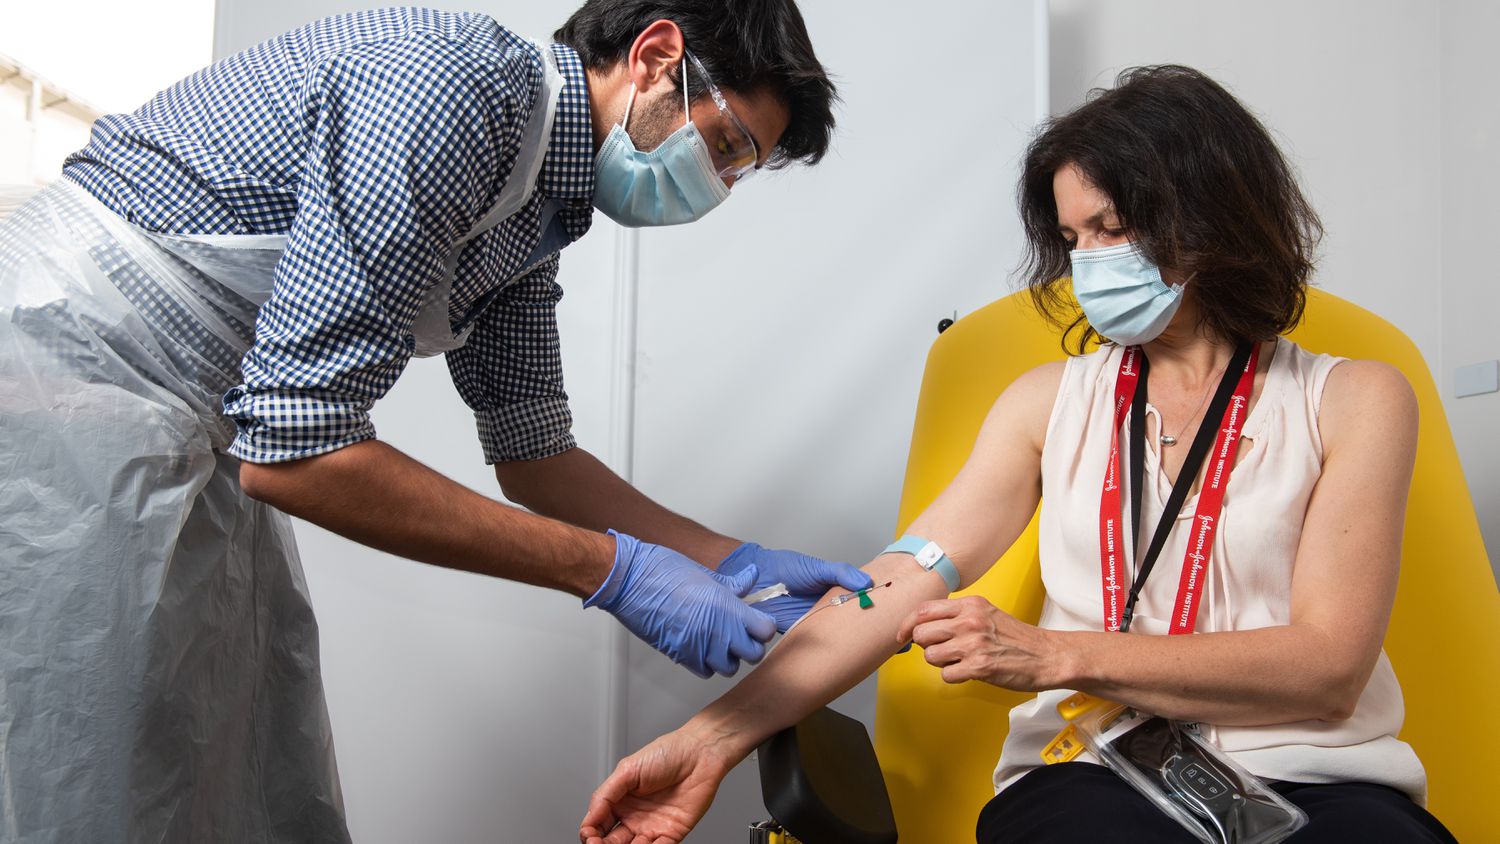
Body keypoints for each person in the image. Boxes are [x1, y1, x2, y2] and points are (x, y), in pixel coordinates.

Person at [0, 2, 872, 841]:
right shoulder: (452, 92)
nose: (713, 186)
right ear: (655, 58)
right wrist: (612, 571)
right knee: (81, 762)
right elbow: (299, 452)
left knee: (239, 745)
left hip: (195, 417)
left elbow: (535, 454)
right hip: (70, 371)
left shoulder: (541, 200)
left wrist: (730, 563)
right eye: (722, 146)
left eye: (734, 172)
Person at [580, 66, 1457, 844]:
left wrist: (1058, 654)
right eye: (1073, 240)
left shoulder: (1353, 398)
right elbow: (895, 585)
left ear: (1206, 213)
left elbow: (1330, 669)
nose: (1087, 264)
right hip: (1095, 770)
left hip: (1320, 779)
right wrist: (709, 740)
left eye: (1111, 228)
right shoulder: (1046, 406)